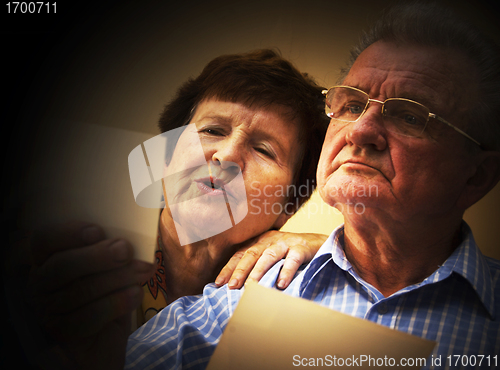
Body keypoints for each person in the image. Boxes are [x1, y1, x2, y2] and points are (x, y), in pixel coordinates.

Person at [125, 3, 500, 369]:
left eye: (409, 115)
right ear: (165, 153)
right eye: (352, 106)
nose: (361, 130)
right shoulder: (246, 295)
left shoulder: (266, 273)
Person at [18, 49, 329, 369]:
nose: (227, 156)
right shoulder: (70, 247)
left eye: (263, 149)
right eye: (212, 130)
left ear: (288, 206)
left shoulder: (288, 292)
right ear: (167, 155)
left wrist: (329, 247)